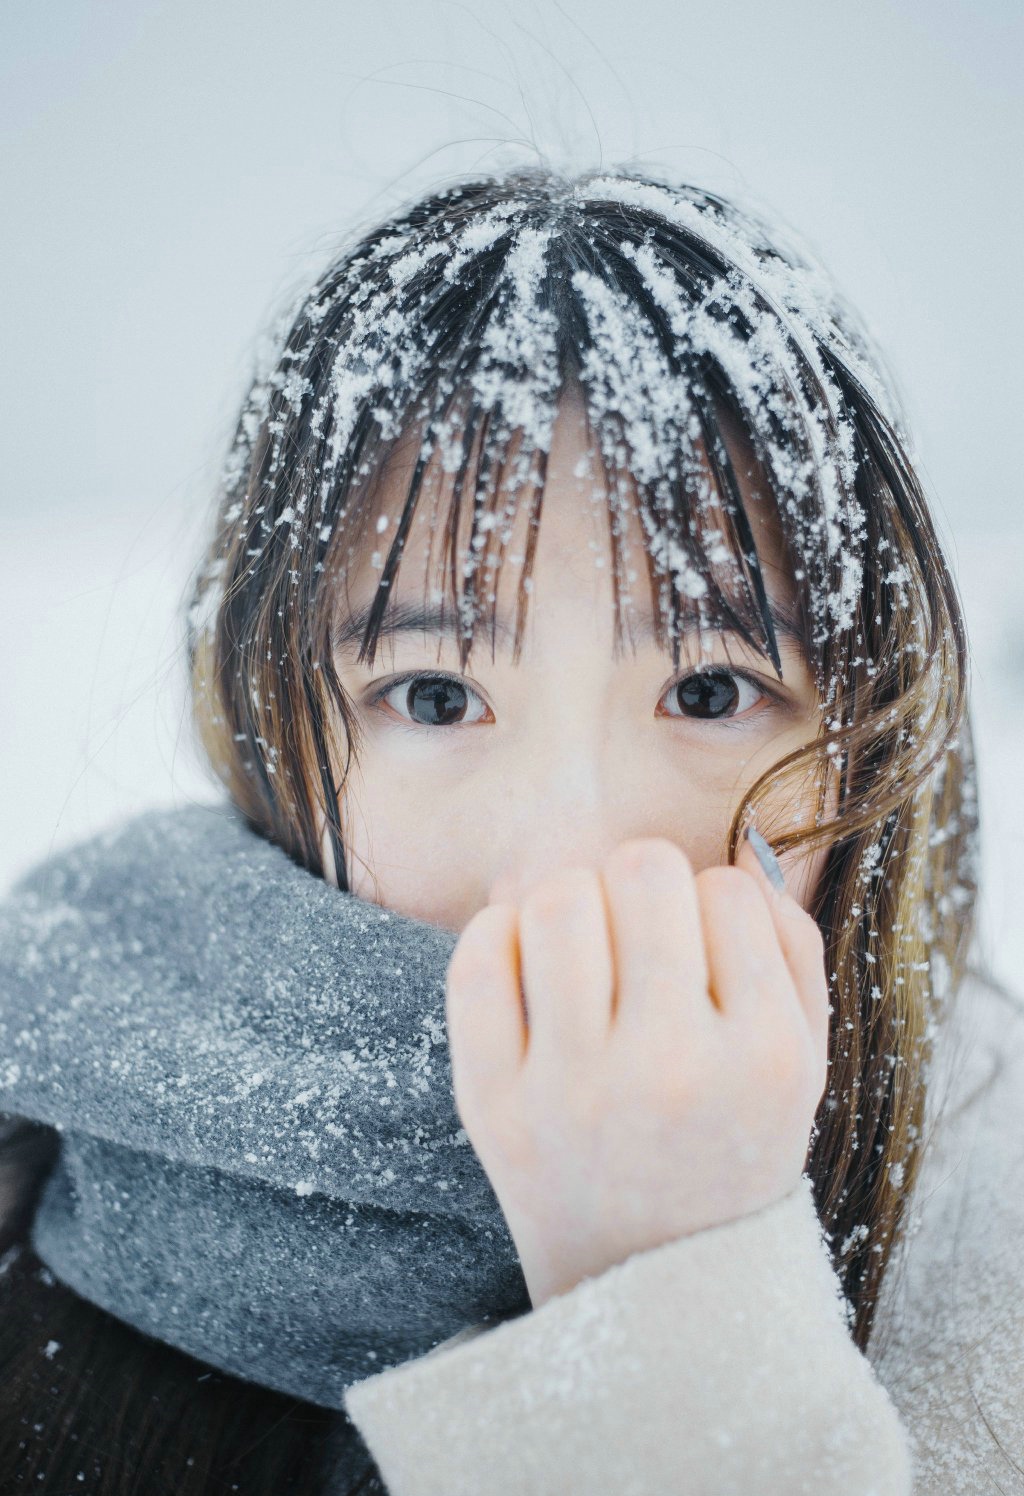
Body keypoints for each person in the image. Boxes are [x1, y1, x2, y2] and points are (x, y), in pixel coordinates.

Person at [0, 163, 1020, 1495]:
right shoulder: (64, 1127)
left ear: (868, 728)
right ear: (272, 726)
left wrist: (657, 1290)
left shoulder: (984, 1242)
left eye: (709, 691)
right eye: (435, 695)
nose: (574, 862)